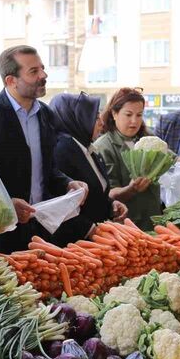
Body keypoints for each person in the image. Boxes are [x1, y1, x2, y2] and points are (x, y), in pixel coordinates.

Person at [0, 45, 88, 253]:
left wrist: (68, 183)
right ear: (11, 80)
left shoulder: (46, 114)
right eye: (33, 71)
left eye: (42, 68)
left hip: (41, 232)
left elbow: (48, 169)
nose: (43, 75)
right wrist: (6, 204)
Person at [49, 92, 128, 245]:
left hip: (96, 242)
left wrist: (110, 204)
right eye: (94, 117)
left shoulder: (85, 147)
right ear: (77, 118)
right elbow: (61, 202)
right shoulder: (61, 150)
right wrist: (91, 230)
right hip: (73, 246)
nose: (101, 123)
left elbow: (96, 191)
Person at [94, 87, 161, 229]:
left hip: (153, 219)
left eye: (139, 115)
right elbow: (109, 193)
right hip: (126, 226)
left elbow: (170, 158)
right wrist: (131, 189)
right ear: (114, 113)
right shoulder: (103, 146)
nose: (134, 121)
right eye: (128, 114)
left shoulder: (148, 138)